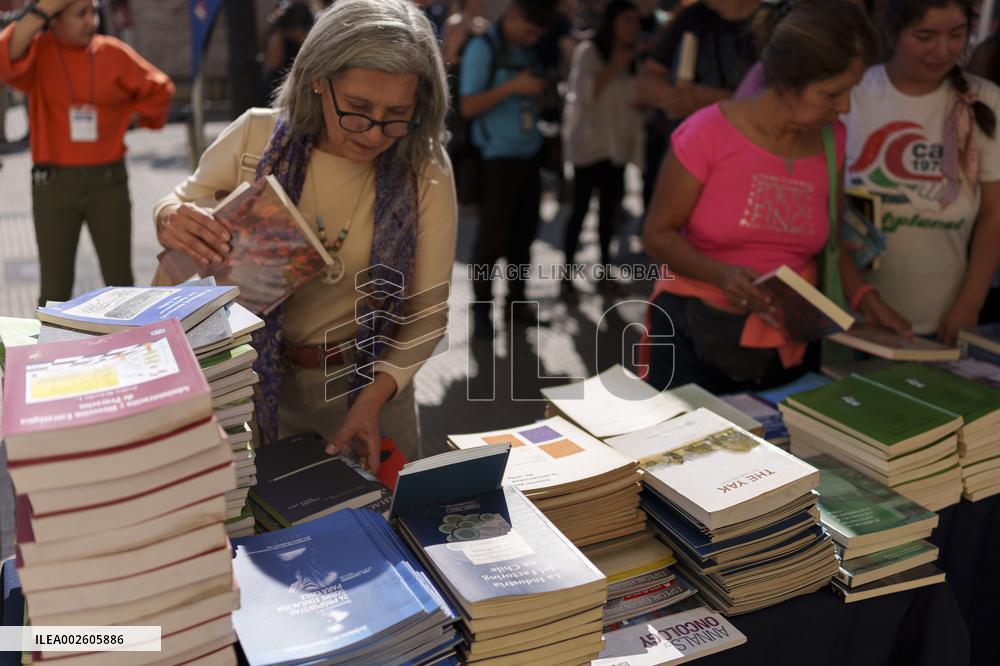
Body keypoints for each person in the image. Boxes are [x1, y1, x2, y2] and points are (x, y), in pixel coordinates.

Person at [153, 0, 457, 471]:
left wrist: (373, 399)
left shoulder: (425, 170)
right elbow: (179, 203)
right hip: (254, 386)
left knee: (382, 515)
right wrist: (171, 217)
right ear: (317, 79)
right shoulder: (256, 138)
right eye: (357, 108)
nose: (374, 133)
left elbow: (428, 313)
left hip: (374, 394)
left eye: (397, 113)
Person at [642, 0, 908, 394]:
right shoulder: (707, 133)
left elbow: (833, 245)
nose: (845, 106)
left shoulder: (831, 140)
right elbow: (656, 235)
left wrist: (865, 298)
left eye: (851, 90)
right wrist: (722, 275)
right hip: (694, 337)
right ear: (786, 82)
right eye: (832, 93)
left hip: (789, 345)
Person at [843, 0, 1000, 342]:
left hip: (943, 317)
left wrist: (970, 304)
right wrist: (860, 296)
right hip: (852, 313)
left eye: (956, 35)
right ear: (892, 32)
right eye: (925, 36)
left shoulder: (986, 100)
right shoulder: (853, 94)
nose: (942, 51)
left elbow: (995, 212)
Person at [0, 0, 174, 306]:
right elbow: (5, 56)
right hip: (53, 184)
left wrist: (131, 118)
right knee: (54, 291)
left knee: (122, 286)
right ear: (55, 20)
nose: (91, 21)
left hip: (108, 182)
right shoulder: (40, 51)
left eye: (92, 11)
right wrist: (42, 10)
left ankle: (127, 338)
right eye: (80, 14)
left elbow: (161, 89)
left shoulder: (111, 52)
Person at [459, 0, 556, 337]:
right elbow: (468, 105)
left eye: (537, 34)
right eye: (528, 31)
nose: (532, 39)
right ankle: (481, 312)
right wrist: (513, 88)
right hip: (495, 159)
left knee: (523, 238)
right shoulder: (483, 48)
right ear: (512, 15)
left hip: (529, 154)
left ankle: (516, 304)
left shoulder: (526, 50)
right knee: (490, 241)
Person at [637, 0, 760, 210]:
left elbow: (786, 103)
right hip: (687, 163)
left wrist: (714, 99)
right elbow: (646, 80)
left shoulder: (772, 22)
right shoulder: (693, 18)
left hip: (746, 164)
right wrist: (671, 97)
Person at [560, 0, 643, 298]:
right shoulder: (588, 51)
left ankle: (605, 272)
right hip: (588, 146)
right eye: (627, 20)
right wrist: (615, 65)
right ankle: (567, 277)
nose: (632, 27)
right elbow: (584, 95)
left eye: (635, 21)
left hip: (616, 147)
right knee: (580, 211)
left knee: (609, 213)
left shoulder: (634, 56)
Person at [260, 0, 314, 106]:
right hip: (280, 73)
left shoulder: (309, 16)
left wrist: (299, 36)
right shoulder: (283, 16)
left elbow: (310, 48)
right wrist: (279, 26)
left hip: (302, 71)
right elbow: (274, 61)